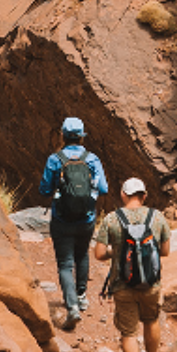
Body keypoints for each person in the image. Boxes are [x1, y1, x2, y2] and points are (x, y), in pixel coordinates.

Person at [92, 177, 170, 352]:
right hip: (151, 285)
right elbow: (164, 251)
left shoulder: (111, 219)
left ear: (123, 195)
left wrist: (114, 251)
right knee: (151, 320)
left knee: (128, 333)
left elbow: (98, 254)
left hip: (122, 285)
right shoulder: (157, 217)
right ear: (144, 196)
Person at [37, 116, 107, 327]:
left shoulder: (55, 159)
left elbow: (44, 190)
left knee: (65, 264)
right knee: (82, 254)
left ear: (63, 136)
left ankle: (72, 306)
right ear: (82, 137)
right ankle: (82, 297)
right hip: (87, 218)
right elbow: (103, 188)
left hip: (61, 218)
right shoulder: (92, 159)